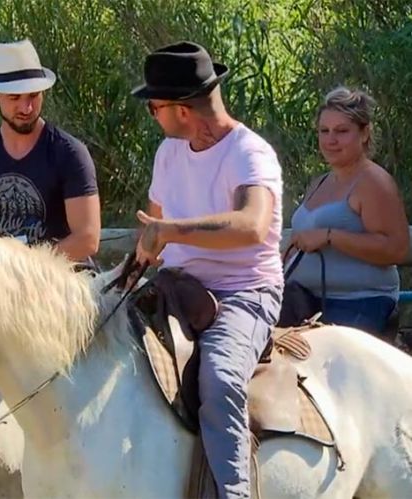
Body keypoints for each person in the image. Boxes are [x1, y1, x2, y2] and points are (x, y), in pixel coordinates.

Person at [132, 41, 283, 498]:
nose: (152, 115)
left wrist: (171, 231)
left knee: (218, 380)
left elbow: (252, 226)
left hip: (244, 292)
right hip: (175, 285)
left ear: (180, 110)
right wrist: (133, 265)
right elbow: (154, 233)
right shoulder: (168, 154)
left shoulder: (248, 153)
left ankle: (233, 494)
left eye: (154, 106)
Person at [0, 39, 100, 263]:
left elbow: (88, 238)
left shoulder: (69, 153)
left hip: (59, 282)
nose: (26, 108)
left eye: (33, 96)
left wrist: (23, 268)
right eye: (14, 98)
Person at [286, 86, 409, 337]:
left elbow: (398, 249)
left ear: (364, 133)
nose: (330, 140)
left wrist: (330, 236)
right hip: (305, 300)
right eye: (324, 131)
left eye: (342, 131)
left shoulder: (373, 182)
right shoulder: (319, 182)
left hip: (359, 301)